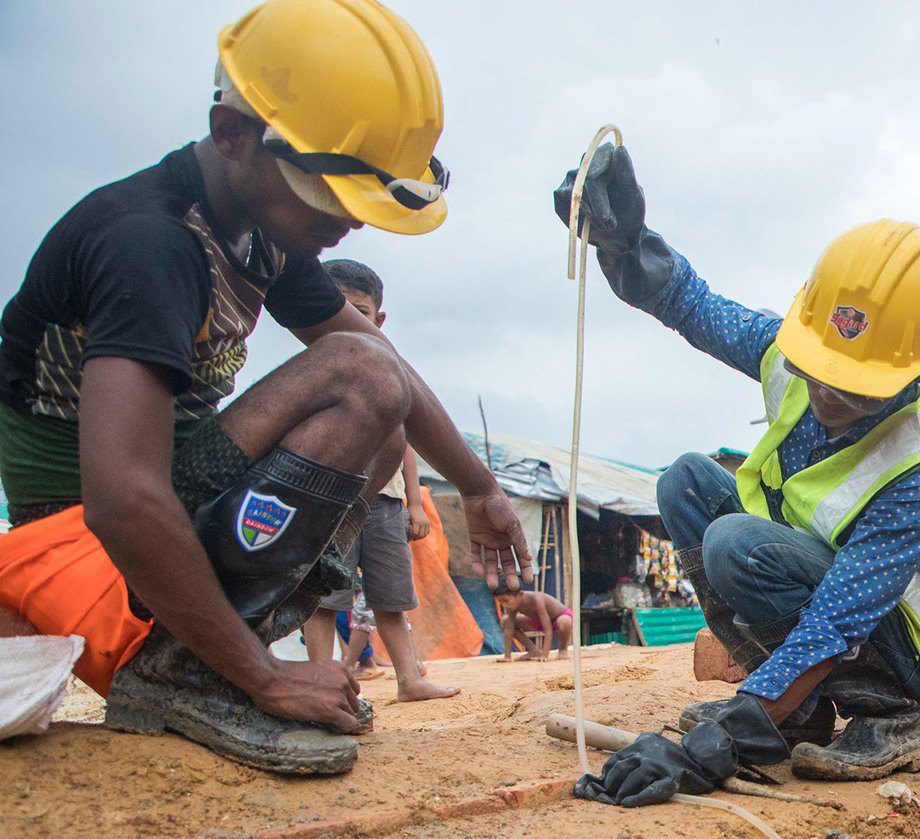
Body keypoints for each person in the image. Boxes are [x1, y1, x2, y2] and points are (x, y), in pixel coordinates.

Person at [0, 0, 528, 776]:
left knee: (379, 402)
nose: (351, 223)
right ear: (233, 136)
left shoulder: (258, 231)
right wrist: (264, 672)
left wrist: (480, 488)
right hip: (80, 550)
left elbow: (393, 374)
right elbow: (121, 499)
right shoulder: (151, 243)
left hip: (156, 530)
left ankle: (206, 654)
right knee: (361, 377)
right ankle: (188, 670)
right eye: (332, 199)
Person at [554, 148, 920, 799]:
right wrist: (627, 247)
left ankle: (892, 718)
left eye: (856, 385)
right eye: (821, 369)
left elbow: (839, 618)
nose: (828, 394)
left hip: (915, 645)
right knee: (685, 483)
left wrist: (718, 742)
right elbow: (695, 306)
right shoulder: (788, 355)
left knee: (735, 544)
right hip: (836, 587)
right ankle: (795, 708)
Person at [300, 259, 456, 702]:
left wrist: (413, 502)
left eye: (360, 312)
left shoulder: (388, 370)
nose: (348, 319)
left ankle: (410, 678)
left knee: (391, 593)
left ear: (377, 319)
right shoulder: (308, 370)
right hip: (330, 498)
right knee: (324, 594)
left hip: (384, 503)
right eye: (337, 307)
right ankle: (320, 682)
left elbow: (405, 442)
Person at [495, 588, 573, 662]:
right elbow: (509, 629)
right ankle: (533, 650)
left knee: (564, 621)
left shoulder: (537, 599)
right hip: (537, 622)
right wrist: (507, 656)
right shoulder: (512, 605)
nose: (504, 605)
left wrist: (545, 655)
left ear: (520, 594)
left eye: (506, 601)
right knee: (505, 621)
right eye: (501, 602)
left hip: (558, 619)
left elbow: (548, 629)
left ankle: (563, 649)